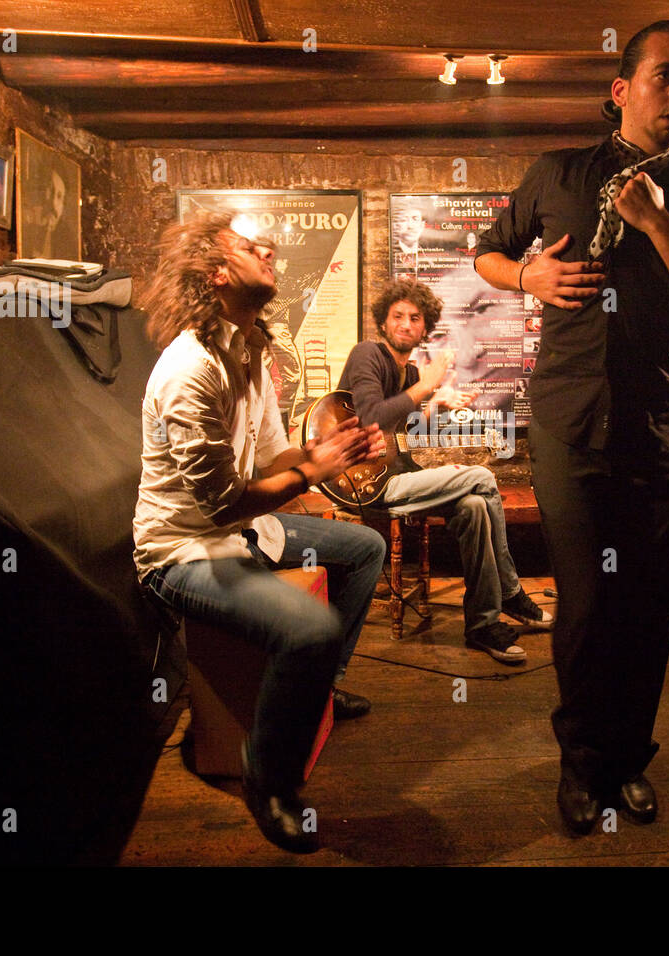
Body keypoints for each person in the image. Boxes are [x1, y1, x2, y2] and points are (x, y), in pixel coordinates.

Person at [474, 19, 669, 834]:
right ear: (622, 90)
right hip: (568, 427)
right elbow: (487, 254)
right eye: (667, 74)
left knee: (647, 606)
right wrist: (527, 273)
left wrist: (659, 222)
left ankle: (631, 760)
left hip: (662, 433)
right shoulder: (557, 173)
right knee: (589, 602)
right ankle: (582, 764)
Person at [132, 211, 388, 853]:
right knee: (309, 628)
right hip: (181, 553)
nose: (268, 249)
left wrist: (334, 449)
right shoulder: (189, 369)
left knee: (365, 547)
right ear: (216, 275)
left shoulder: (250, 350)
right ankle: (267, 780)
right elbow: (219, 504)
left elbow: (275, 462)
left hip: (245, 530)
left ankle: (317, 689)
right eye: (249, 247)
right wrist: (315, 471)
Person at [337, 278, 554, 664]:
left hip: (398, 475)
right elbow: (371, 417)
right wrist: (430, 386)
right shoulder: (367, 354)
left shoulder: (410, 375)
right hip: (364, 484)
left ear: (425, 327)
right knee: (483, 477)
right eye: (397, 316)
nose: (405, 324)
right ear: (383, 322)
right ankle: (510, 591)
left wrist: (438, 402)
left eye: (415, 317)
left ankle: (482, 625)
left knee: (473, 506)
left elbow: (400, 432)